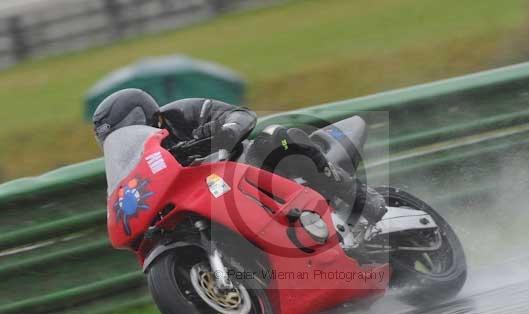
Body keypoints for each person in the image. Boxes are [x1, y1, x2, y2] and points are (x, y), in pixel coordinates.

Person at [92, 88, 386, 224]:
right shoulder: (140, 167)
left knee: (276, 136)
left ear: (147, 116)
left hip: (247, 167)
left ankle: (356, 195)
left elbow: (240, 115)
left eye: (127, 128)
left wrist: (225, 131)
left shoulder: (181, 115)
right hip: (214, 198)